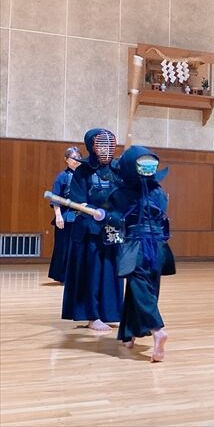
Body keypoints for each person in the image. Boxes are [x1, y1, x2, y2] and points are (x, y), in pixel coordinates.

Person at [105, 145, 175, 362]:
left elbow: (113, 217)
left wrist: (104, 214)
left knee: (140, 289)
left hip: (136, 247)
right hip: (159, 247)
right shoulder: (159, 192)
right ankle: (129, 334)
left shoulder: (121, 194)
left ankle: (157, 330)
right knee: (143, 290)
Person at [61, 128, 123, 331]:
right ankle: (92, 316)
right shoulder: (83, 171)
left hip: (112, 230)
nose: (106, 149)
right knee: (92, 273)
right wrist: (92, 211)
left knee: (111, 273)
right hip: (90, 231)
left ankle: (109, 313)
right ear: (92, 146)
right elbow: (78, 200)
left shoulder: (117, 169)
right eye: (101, 145)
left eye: (109, 145)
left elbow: (123, 196)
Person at [48, 146, 82, 283]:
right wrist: (58, 216)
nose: (76, 160)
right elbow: (55, 198)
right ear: (66, 160)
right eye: (73, 158)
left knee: (78, 248)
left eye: (78, 157)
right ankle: (63, 276)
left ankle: (77, 276)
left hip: (81, 216)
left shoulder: (84, 176)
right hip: (66, 215)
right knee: (63, 247)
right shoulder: (62, 176)